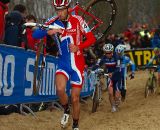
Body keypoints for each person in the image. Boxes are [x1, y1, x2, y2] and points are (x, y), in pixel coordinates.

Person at [32, 0, 96, 129]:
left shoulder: (78, 20)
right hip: (63, 62)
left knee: (75, 99)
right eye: (57, 10)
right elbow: (35, 34)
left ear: (67, 8)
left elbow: (91, 38)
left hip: (77, 65)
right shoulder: (53, 21)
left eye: (62, 10)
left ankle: (75, 125)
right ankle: (66, 110)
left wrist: (79, 46)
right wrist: (47, 32)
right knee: (60, 89)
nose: (59, 13)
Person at [95, 43, 122, 112]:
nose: (108, 54)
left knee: (116, 96)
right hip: (110, 77)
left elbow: (118, 68)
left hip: (117, 76)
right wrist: (92, 69)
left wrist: (113, 73)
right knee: (110, 93)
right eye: (106, 53)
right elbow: (97, 64)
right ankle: (113, 106)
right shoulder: (103, 57)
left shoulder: (117, 57)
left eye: (109, 53)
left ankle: (117, 100)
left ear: (112, 52)